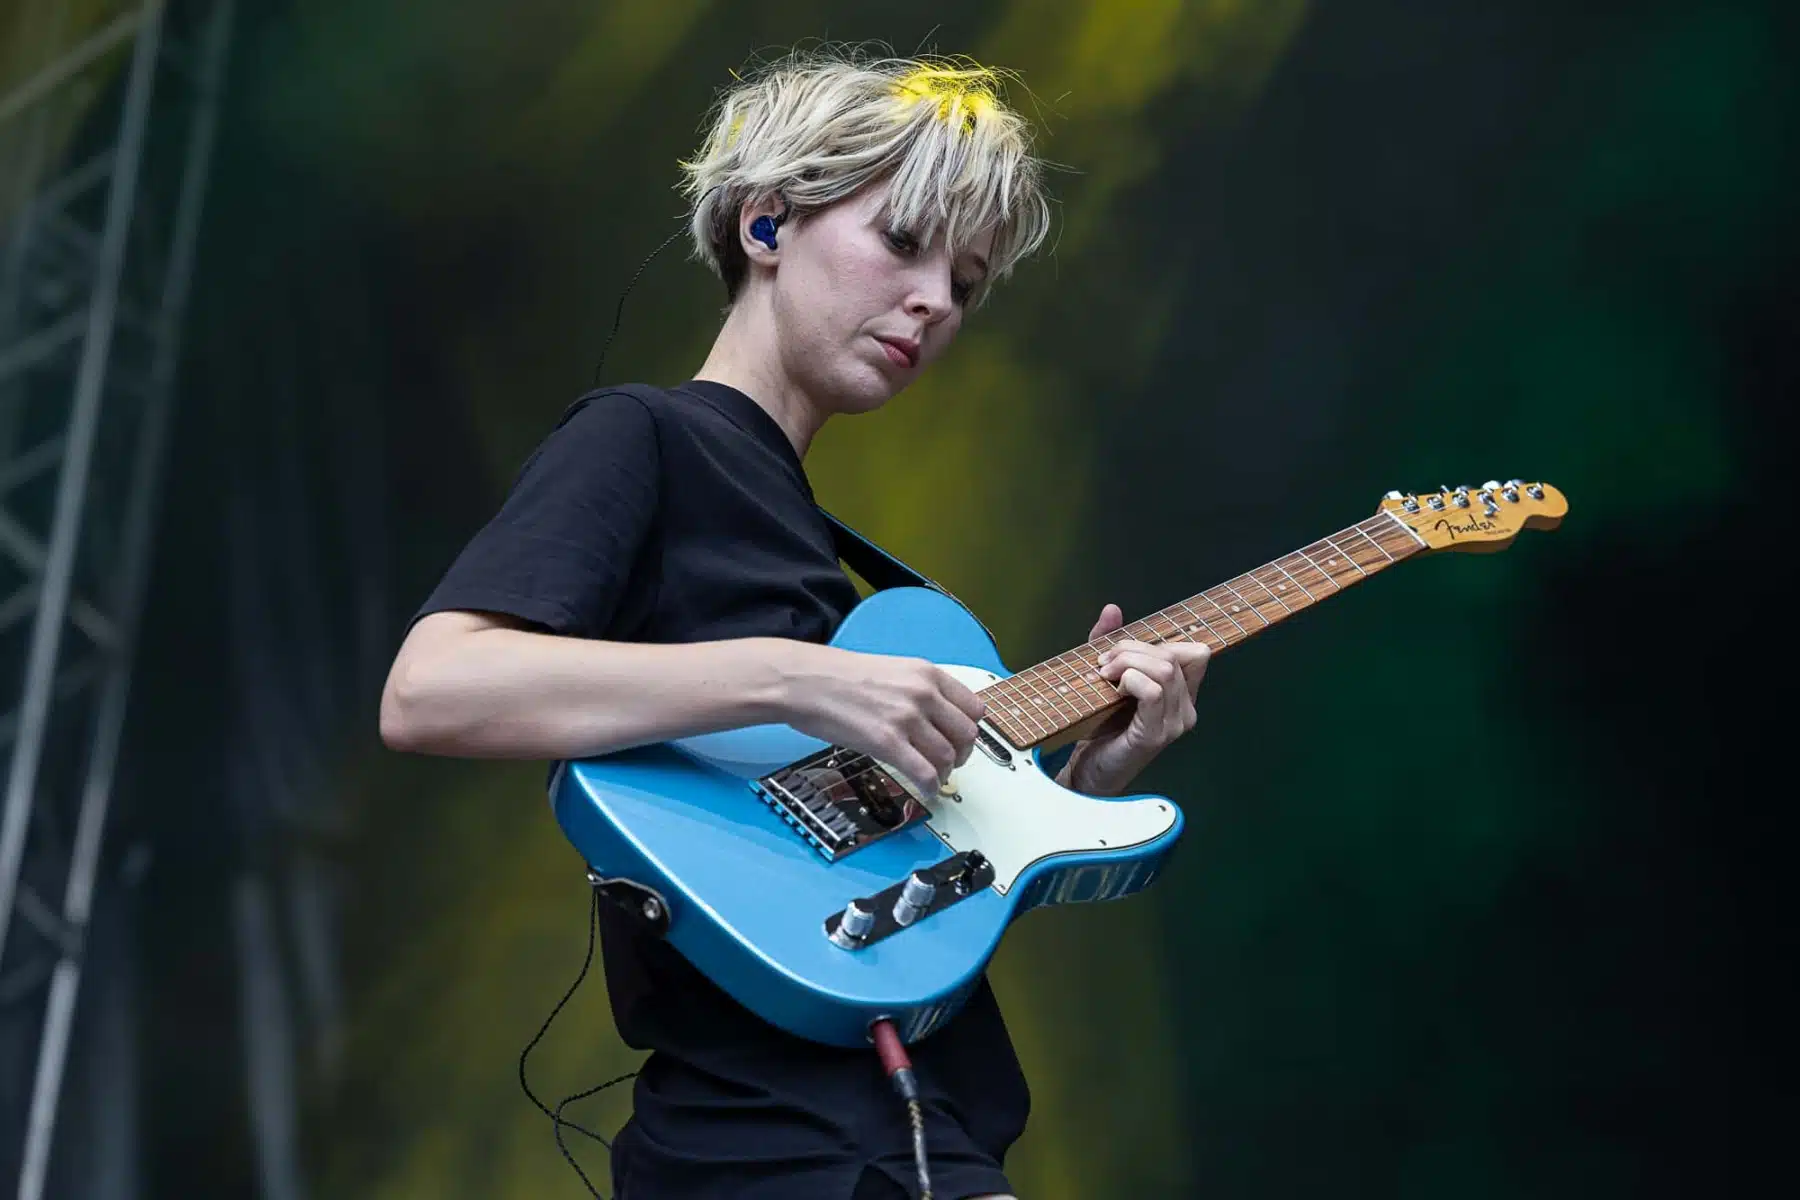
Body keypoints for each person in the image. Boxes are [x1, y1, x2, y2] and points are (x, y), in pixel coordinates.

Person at [380, 48, 1211, 1200]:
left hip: (878, 1120)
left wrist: (1073, 786)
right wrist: (795, 678)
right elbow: (430, 690)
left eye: (967, 284)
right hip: (779, 1132)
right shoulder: (643, 437)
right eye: (904, 242)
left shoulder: (821, 550)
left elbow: (868, 916)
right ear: (766, 224)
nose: (936, 301)